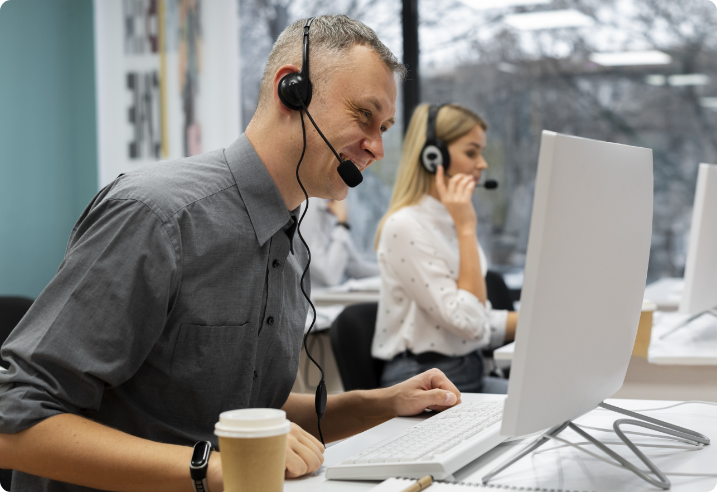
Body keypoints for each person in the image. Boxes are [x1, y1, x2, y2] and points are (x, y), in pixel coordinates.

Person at [0, 16, 462, 492]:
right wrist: (217, 467)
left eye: (384, 127)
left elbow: (230, 407)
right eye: (364, 116)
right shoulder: (158, 216)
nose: (378, 147)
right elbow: (14, 416)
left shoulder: (291, 246)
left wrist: (380, 405)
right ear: (291, 90)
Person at [372, 103, 519, 394]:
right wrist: (466, 228)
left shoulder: (453, 218)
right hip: (423, 379)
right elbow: (468, 323)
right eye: (471, 152)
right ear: (433, 156)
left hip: (468, 368)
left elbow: (478, 319)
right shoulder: (405, 226)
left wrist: (547, 320)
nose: (483, 164)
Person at [301, 197, 380, 289]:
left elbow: (355, 267)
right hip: (314, 298)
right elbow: (330, 277)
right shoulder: (307, 206)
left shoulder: (333, 205)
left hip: (326, 298)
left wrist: (393, 270)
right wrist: (342, 223)